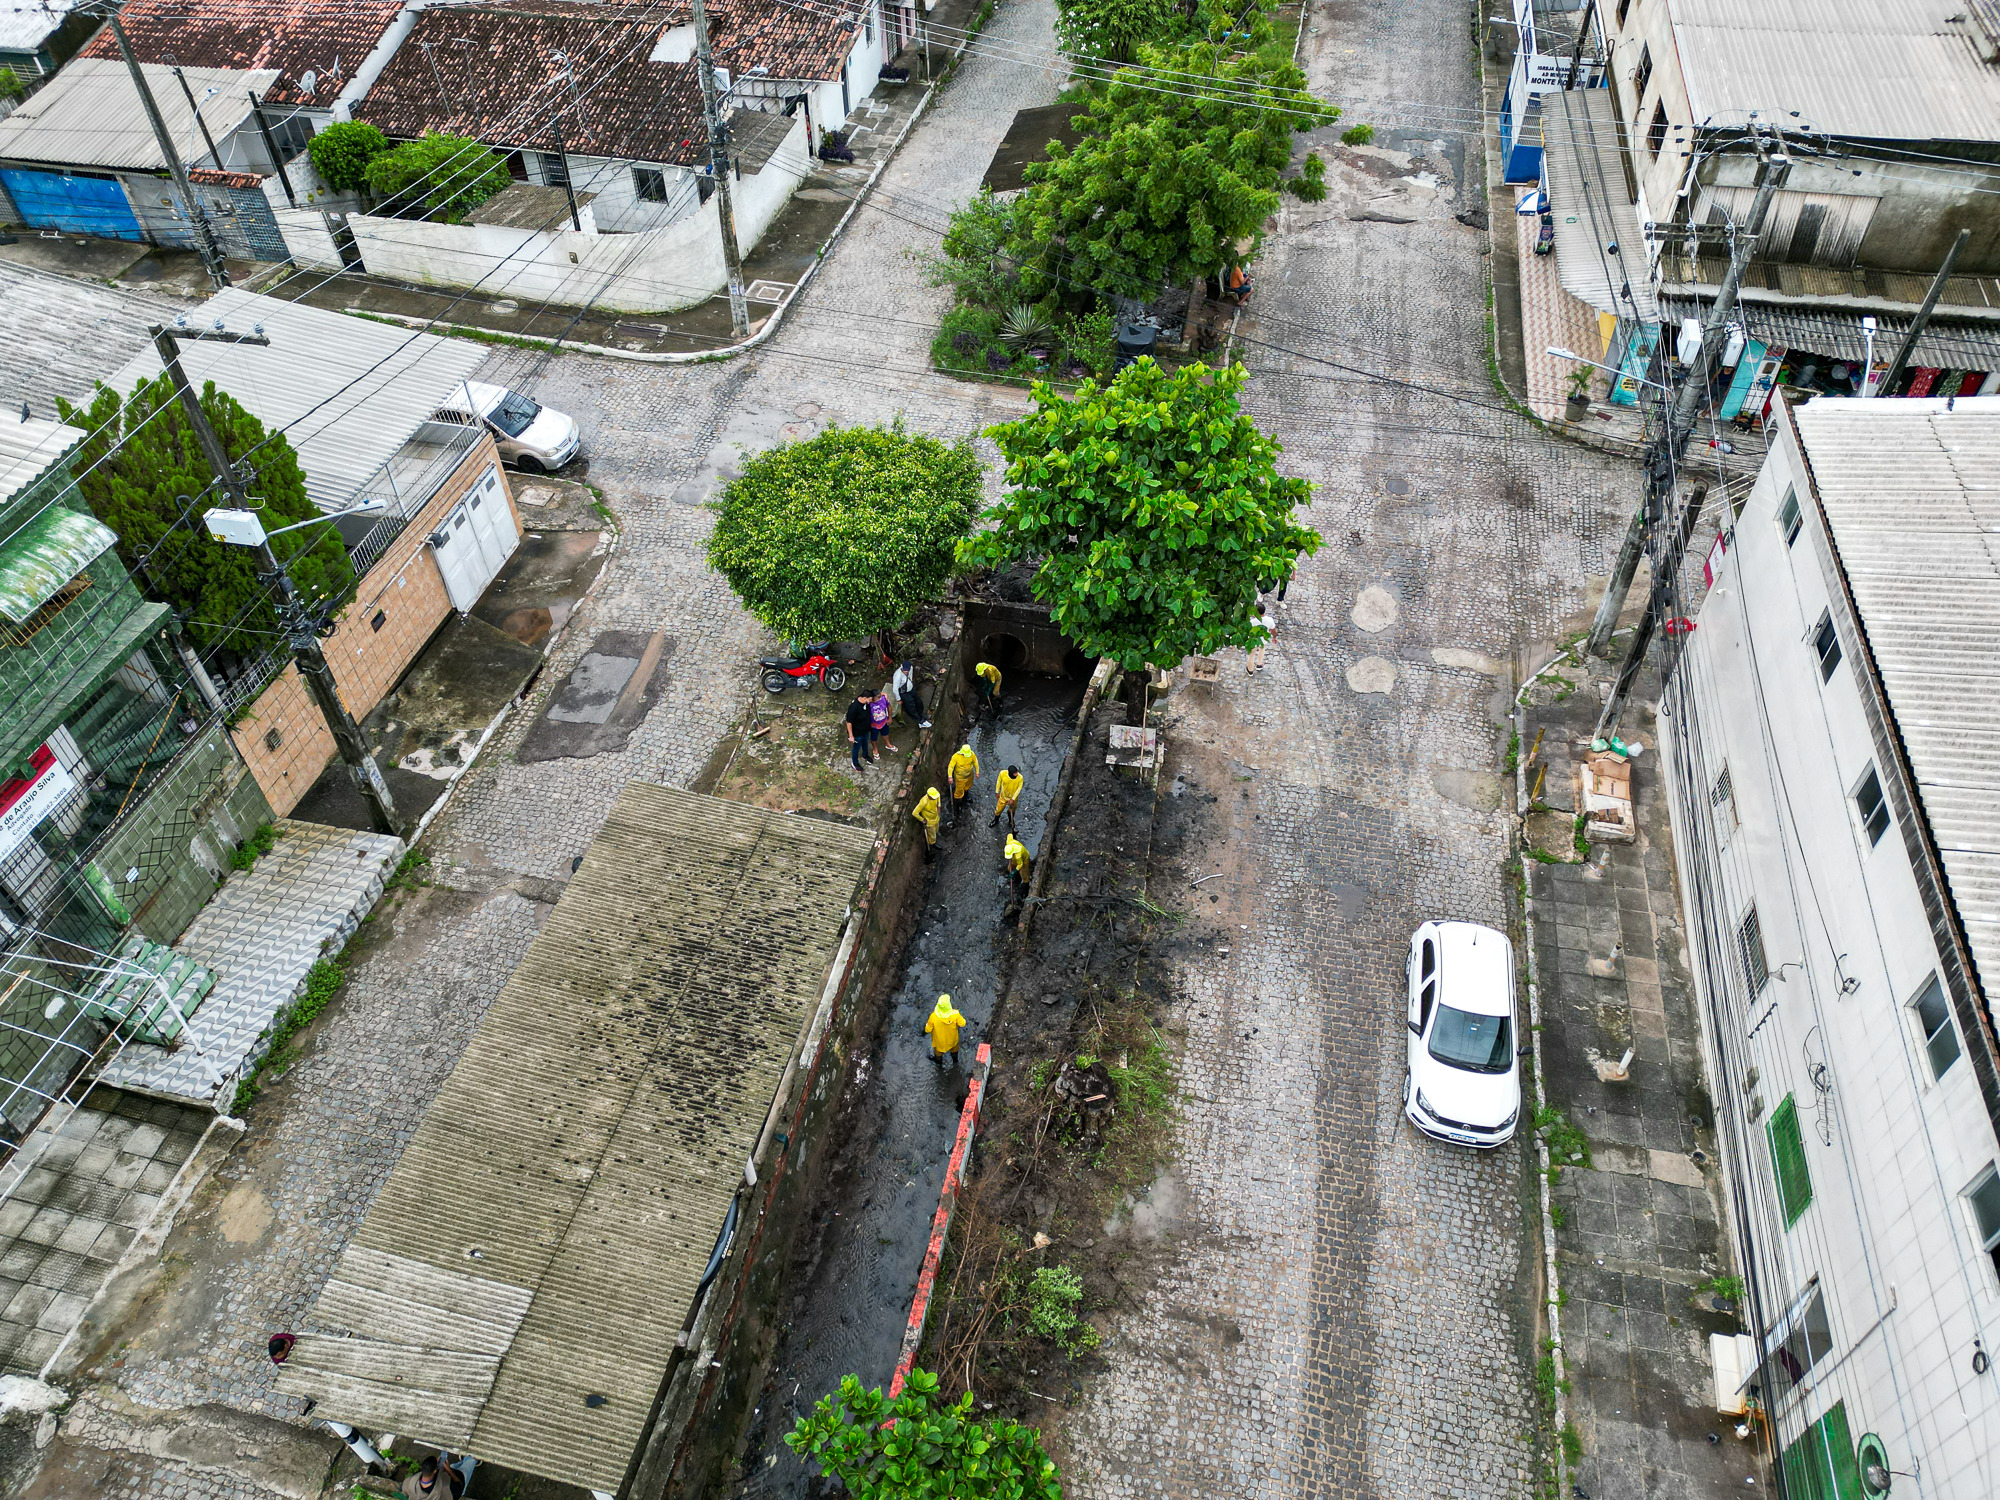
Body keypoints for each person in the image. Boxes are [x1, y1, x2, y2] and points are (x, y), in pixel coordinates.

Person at [925, 994, 969, 1069]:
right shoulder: (956, 1014)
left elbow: (927, 1030)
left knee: (938, 1053)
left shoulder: (933, 1016)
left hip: (939, 1043)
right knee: (954, 1050)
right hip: (953, 1040)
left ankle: (939, 1066)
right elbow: (963, 1024)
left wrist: (926, 1026)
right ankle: (955, 1061)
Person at [844, 687, 877, 770]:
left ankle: (865, 755)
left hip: (865, 730)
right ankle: (855, 763)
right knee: (856, 748)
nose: (870, 701)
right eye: (870, 700)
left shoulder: (866, 703)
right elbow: (849, 722)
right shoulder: (854, 707)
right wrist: (851, 735)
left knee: (865, 743)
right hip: (857, 732)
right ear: (865, 698)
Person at [892, 659, 931, 728]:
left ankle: (921, 715)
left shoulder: (911, 668)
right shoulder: (897, 675)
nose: (906, 672)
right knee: (911, 708)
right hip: (904, 693)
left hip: (911, 689)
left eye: (907, 670)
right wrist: (898, 699)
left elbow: (910, 677)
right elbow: (895, 689)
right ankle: (920, 721)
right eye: (904, 670)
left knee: (918, 702)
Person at [947, 742, 980, 820]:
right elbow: (951, 766)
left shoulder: (971, 754)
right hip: (960, 778)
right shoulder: (956, 757)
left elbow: (975, 762)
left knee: (968, 786)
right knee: (959, 792)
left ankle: (966, 796)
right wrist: (950, 776)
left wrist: (977, 772)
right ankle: (957, 805)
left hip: (969, 776)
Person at [1246, 597, 1277, 674]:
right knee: (1262, 650)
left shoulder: (1252, 622)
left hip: (1253, 640)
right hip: (1263, 639)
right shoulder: (1270, 620)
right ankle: (1259, 664)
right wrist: (1274, 637)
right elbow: (1273, 630)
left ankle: (1250, 670)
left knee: (1252, 655)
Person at [912, 786, 942, 860]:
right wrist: (922, 819)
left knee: (936, 830)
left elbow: (938, 798)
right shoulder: (924, 802)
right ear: (929, 796)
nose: (935, 798)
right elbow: (914, 813)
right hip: (929, 822)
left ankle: (933, 842)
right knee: (932, 836)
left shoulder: (936, 796)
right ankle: (931, 847)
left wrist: (939, 806)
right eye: (933, 797)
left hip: (936, 818)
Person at [1003, 832, 1031, 905]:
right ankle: (1016, 879)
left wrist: (1014, 871)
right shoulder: (1009, 842)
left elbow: (1020, 864)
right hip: (1013, 859)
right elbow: (1009, 835)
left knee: (1024, 875)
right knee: (1009, 868)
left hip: (1023, 860)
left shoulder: (1018, 855)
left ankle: (1026, 888)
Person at [869, 685, 896, 754]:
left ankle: (888, 744)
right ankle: (875, 749)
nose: (879, 698)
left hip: (884, 722)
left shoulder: (883, 699)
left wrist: (890, 717)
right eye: (878, 697)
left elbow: (889, 707)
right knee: (874, 738)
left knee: (885, 733)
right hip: (873, 725)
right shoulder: (869, 703)